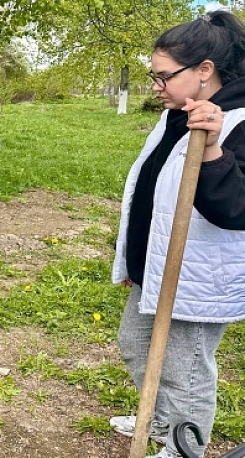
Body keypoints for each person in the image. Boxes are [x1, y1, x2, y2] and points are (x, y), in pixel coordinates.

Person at [110, 11, 245, 458]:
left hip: (199, 275)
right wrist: (135, 259)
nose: (156, 85)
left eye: (163, 76)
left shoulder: (237, 120)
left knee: (184, 372)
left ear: (204, 70)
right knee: (135, 343)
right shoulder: (176, 114)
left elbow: (236, 208)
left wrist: (213, 148)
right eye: (154, 75)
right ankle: (160, 418)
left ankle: (183, 450)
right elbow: (154, 189)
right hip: (157, 264)